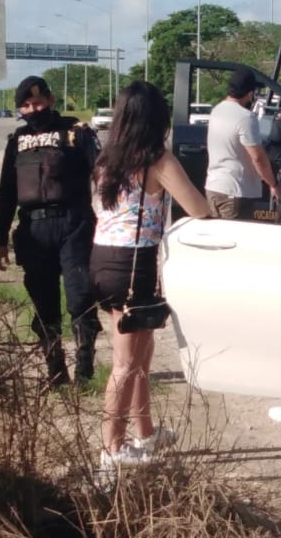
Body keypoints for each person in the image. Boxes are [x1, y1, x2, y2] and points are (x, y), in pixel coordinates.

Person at [89, 81, 211, 473]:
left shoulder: (107, 159)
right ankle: (112, 449)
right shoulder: (158, 161)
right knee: (125, 362)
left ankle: (145, 432)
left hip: (102, 259)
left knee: (141, 352)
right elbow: (198, 208)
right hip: (134, 266)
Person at [0, 76, 101, 385]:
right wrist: (0, 240)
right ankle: (56, 370)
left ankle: (84, 371)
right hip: (33, 230)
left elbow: (102, 175)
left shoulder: (75, 132)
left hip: (74, 225)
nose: (32, 109)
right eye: (25, 105)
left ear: (51, 101)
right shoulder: (17, 141)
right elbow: (7, 193)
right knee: (44, 304)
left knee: (79, 298)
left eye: (37, 103)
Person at [204, 66, 278, 220]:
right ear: (250, 93)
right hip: (236, 191)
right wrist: (272, 184)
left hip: (213, 186)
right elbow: (257, 157)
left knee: (219, 239)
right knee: (235, 241)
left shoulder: (216, 110)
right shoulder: (245, 117)